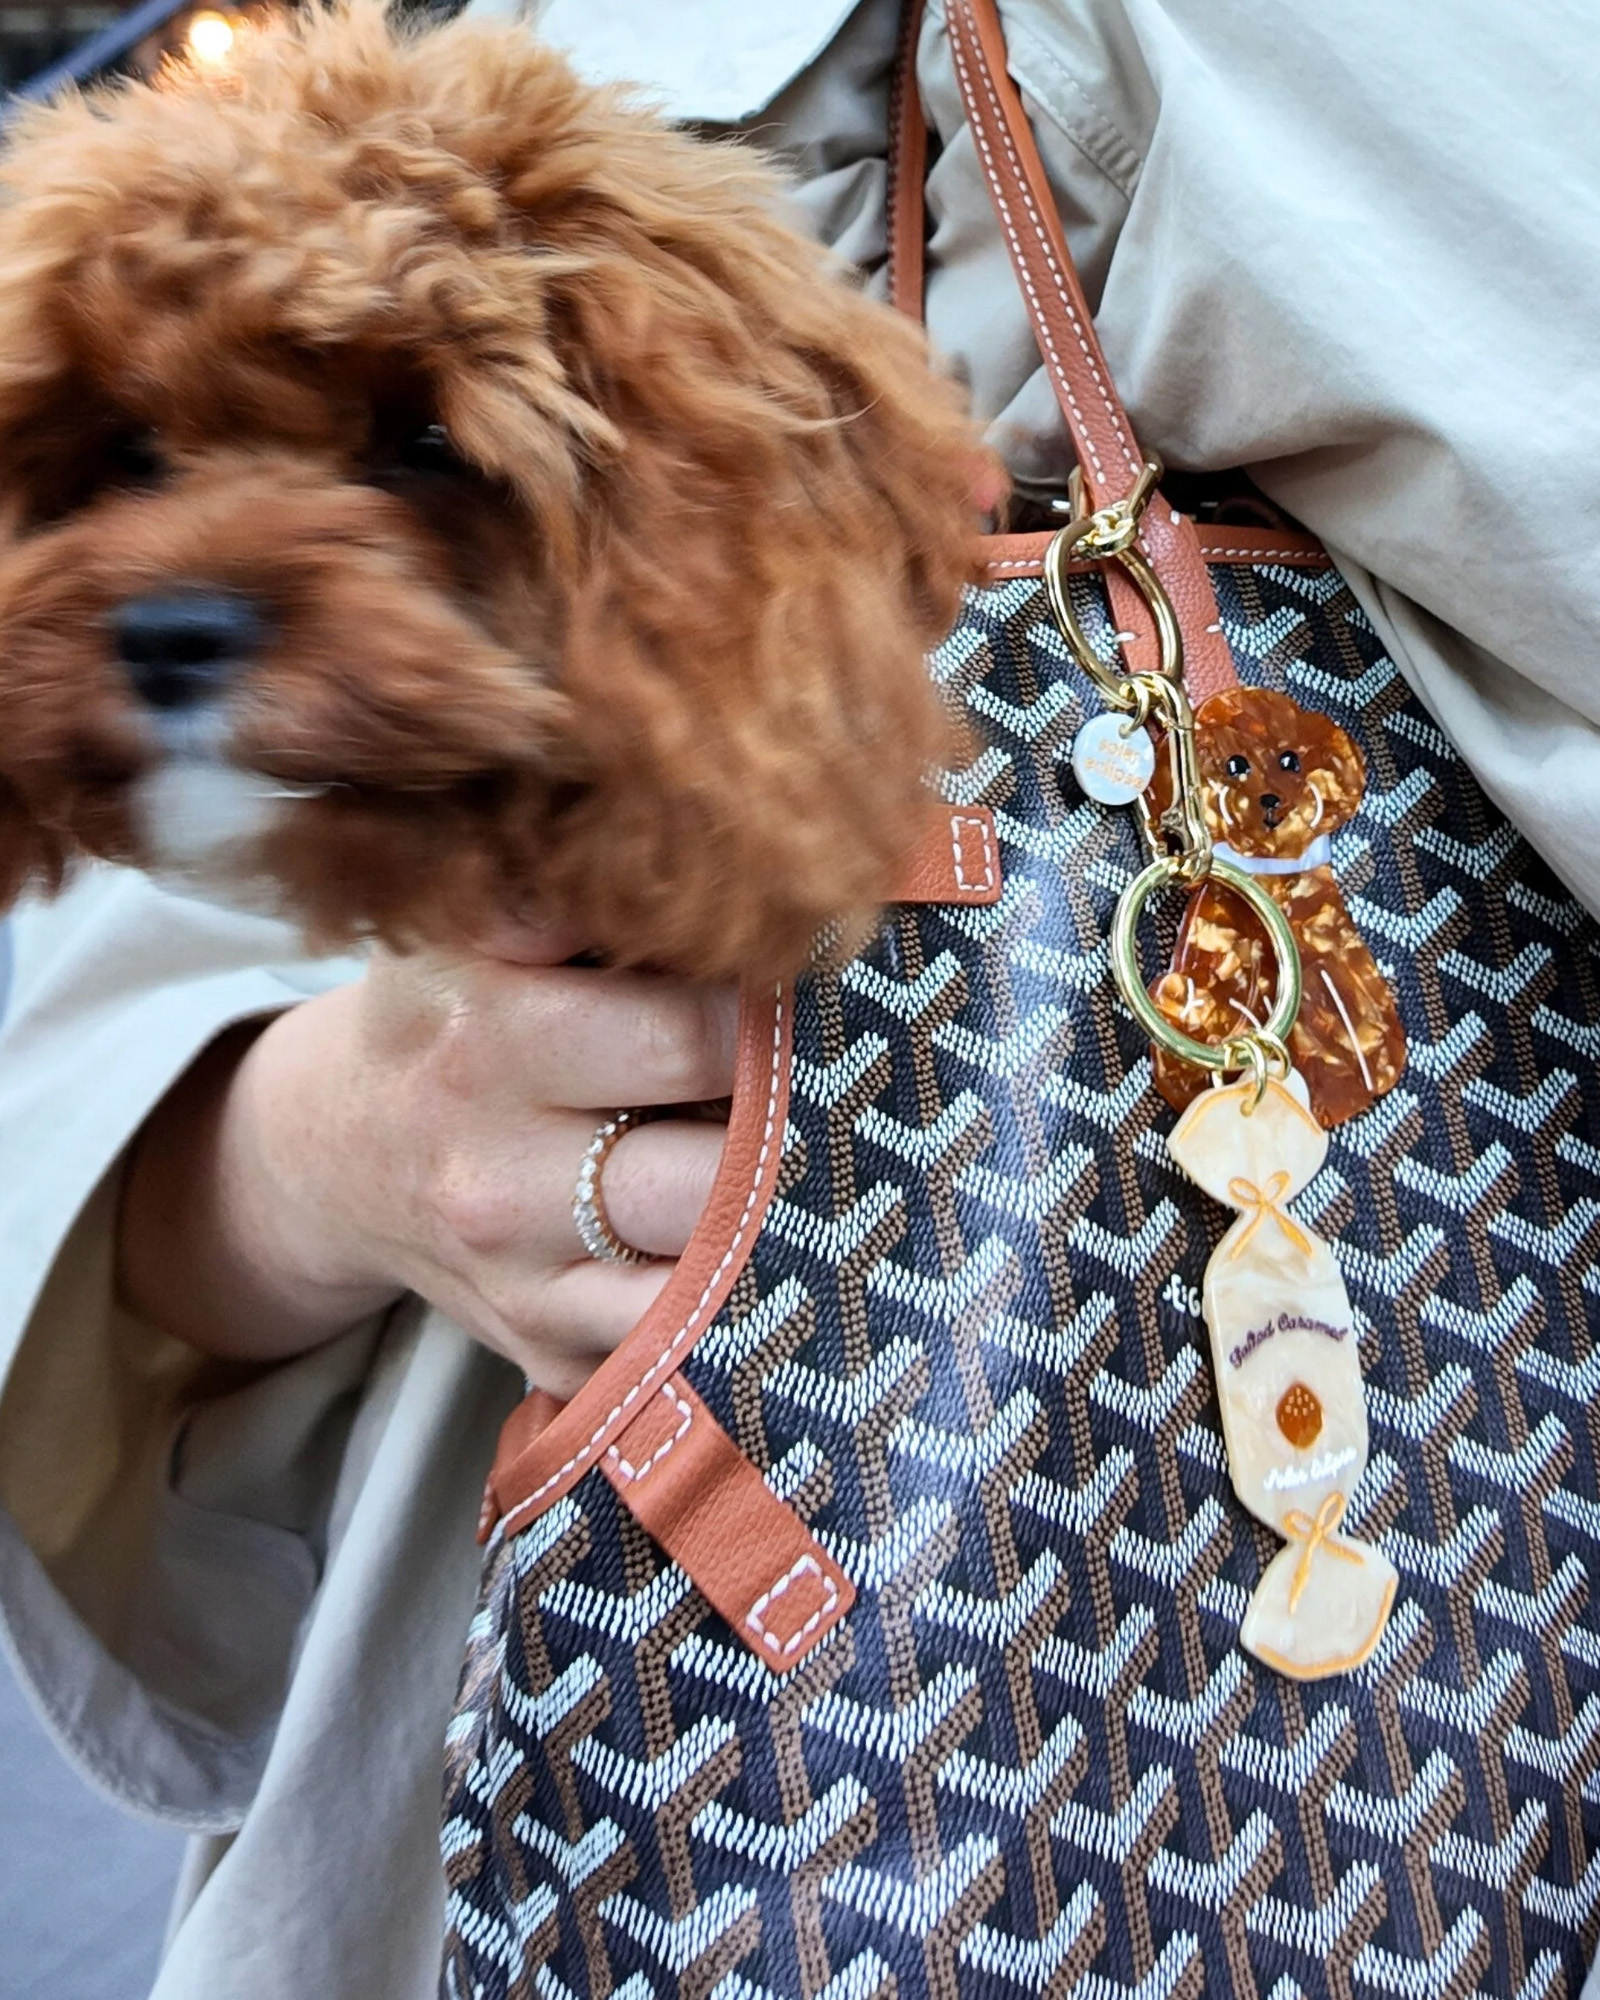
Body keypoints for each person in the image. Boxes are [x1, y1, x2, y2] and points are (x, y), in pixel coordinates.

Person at [2, 2, 1598, 1996]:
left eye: (418, 456)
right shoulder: (480, 71)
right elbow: (104, 1096)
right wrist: (337, 1144)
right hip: (549, 1732)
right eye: (132, 464)